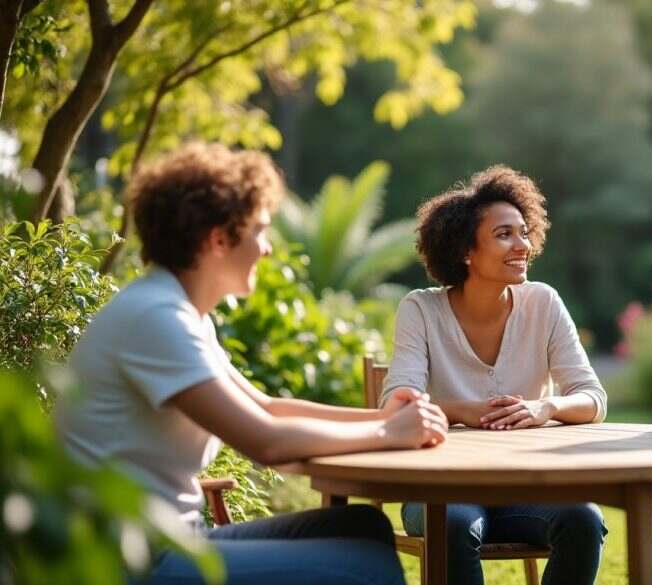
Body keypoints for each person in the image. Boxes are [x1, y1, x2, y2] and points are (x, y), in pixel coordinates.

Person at [55, 143, 449, 585]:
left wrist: (381, 416)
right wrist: (387, 433)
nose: (266, 248)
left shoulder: (182, 314)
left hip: (175, 539)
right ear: (218, 239)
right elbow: (266, 442)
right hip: (125, 562)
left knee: (364, 527)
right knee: (364, 568)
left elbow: (266, 407)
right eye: (260, 230)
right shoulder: (155, 317)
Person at [381, 165, 608, 585]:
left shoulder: (543, 302)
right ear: (465, 250)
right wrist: (468, 410)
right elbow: (397, 403)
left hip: (524, 488)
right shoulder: (421, 309)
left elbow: (593, 397)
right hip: (439, 489)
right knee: (451, 523)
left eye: (524, 232)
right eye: (504, 235)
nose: (522, 245)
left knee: (583, 519)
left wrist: (547, 406)